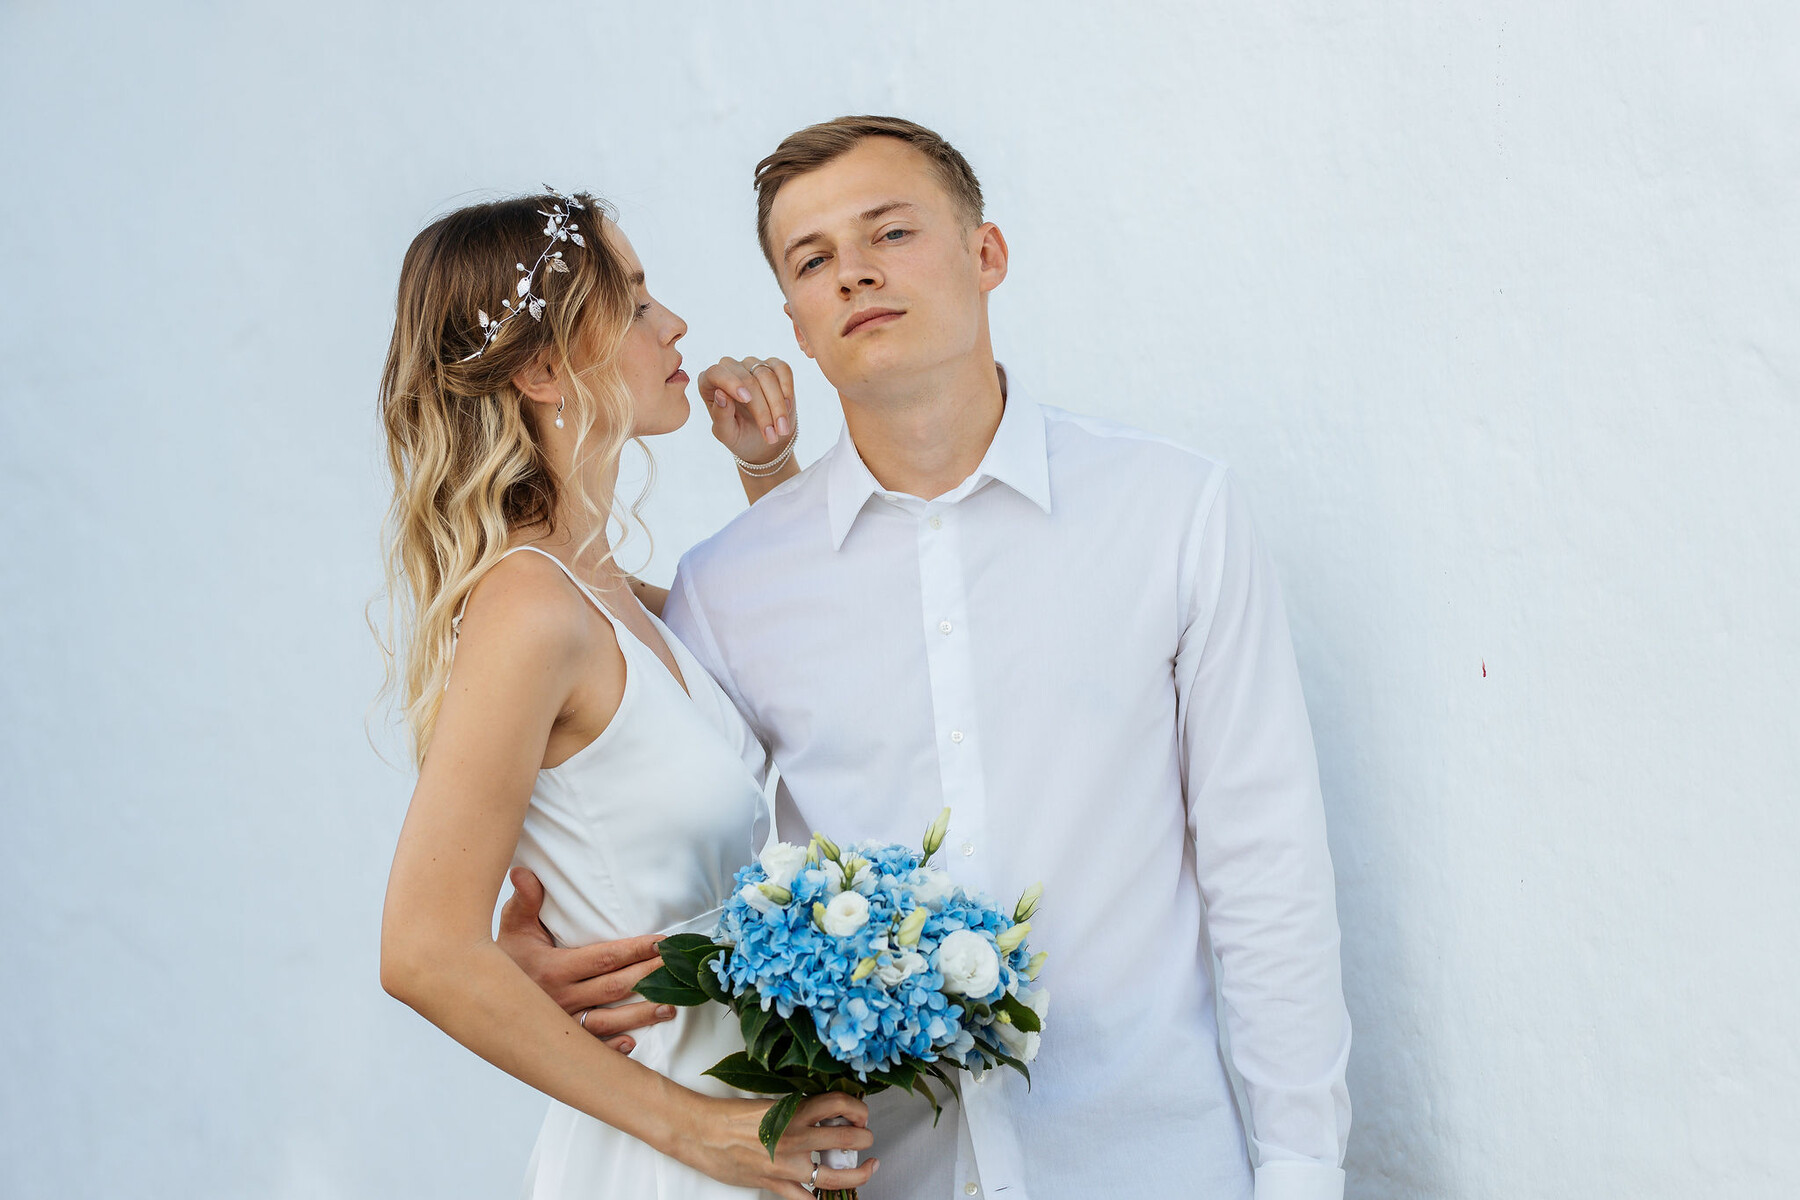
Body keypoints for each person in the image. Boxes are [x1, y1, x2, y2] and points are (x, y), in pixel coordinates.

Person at [502, 118, 1355, 1200]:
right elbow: (656, 812)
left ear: (986, 255)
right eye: (812, 259)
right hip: (874, 1175)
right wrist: (548, 959)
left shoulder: (1175, 514)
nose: (854, 271)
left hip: (1147, 1161)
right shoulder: (732, 584)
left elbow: (1266, 866)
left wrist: (1301, 1171)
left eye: (892, 232)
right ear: (797, 325)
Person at [374, 188, 879, 1199]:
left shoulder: (614, 598)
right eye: (638, 298)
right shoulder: (528, 607)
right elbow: (423, 950)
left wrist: (769, 468)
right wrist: (701, 1134)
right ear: (545, 366)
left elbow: (818, 670)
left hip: (763, 1134)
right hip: (670, 1154)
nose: (675, 324)